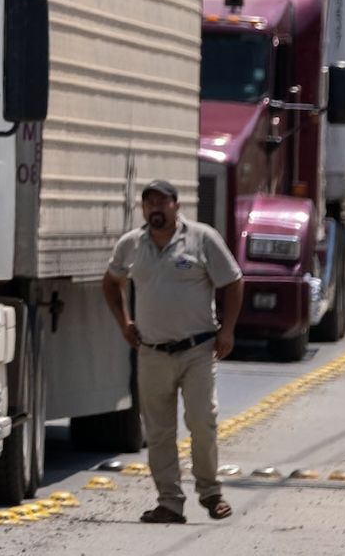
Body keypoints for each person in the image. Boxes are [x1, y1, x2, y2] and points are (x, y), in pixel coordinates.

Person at [103, 179, 243, 524]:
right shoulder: (131, 245)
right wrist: (124, 323)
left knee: (202, 422)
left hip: (197, 349)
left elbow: (234, 282)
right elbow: (111, 281)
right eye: (148, 203)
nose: (155, 209)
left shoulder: (201, 238)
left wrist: (227, 330)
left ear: (176, 207)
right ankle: (169, 501)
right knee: (158, 432)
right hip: (152, 352)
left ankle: (211, 493)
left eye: (161, 203)